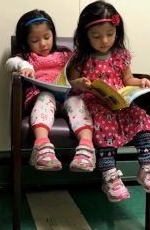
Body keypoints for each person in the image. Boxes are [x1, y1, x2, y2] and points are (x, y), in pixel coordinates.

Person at [69, 0, 150, 202]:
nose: (104, 40)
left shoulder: (121, 55)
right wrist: (81, 83)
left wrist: (141, 82)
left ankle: (147, 168)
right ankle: (109, 176)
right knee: (105, 124)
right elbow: (70, 82)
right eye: (96, 36)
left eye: (110, 34)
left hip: (119, 101)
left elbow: (128, 79)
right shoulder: (81, 57)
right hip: (95, 103)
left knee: (140, 117)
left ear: (117, 32)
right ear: (85, 36)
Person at [6, 9, 95, 172]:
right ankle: (42, 147)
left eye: (47, 37)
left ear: (53, 34)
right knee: (45, 96)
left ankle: (86, 149)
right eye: (35, 40)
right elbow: (10, 63)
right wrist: (24, 65)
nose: (43, 44)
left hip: (67, 97)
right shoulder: (27, 57)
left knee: (77, 102)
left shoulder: (65, 54)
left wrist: (81, 79)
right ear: (26, 42)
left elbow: (79, 67)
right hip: (43, 98)